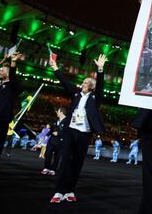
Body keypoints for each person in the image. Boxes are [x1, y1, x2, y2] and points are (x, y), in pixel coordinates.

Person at [49, 54, 106, 203]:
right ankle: (59, 191)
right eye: (84, 81)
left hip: (85, 134)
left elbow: (100, 86)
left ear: (92, 86)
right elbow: (64, 81)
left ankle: (70, 190)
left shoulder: (95, 98)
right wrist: (55, 68)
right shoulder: (76, 94)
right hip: (70, 131)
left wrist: (100, 69)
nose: (84, 82)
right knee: (65, 160)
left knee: (77, 163)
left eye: (87, 82)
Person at [0, 52, 22, 172]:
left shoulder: (13, 87)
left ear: (8, 74)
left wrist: (13, 62)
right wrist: (0, 62)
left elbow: (13, 77)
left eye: (2, 70)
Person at [41, 107, 66, 176]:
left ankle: (53, 169)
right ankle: (46, 168)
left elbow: (67, 132)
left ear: (61, 112)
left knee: (57, 156)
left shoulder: (67, 121)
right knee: (48, 154)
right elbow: (52, 129)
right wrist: (46, 135)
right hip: (52, 140)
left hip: (60, 141)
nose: (56, 113)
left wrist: (59, 134)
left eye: (57, 111)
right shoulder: (55, 120)